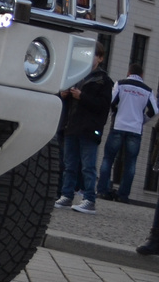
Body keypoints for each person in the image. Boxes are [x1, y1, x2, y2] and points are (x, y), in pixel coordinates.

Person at [55, 44, 115, 213]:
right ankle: (66, 195)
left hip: (89, 128)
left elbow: (103, 106)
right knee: (69, 165)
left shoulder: (103, 81)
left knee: (88, 166)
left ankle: (89, 198)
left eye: (94, 55)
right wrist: (64, 95)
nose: (90, 59)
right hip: (72, 126)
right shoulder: (76, 75)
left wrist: (82, 96)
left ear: (100, 58)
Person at [97, 63, 157, 203]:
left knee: (108, 159)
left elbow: (110, 101)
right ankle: (123, 195)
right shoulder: (147, 90)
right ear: (142, 75)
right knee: (130, 163)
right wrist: (142, 120)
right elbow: (154, 110)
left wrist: (115, 112)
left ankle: (102, 190)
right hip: (135, 129)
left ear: (128, 72)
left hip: (119, 125)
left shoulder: (121, 84)